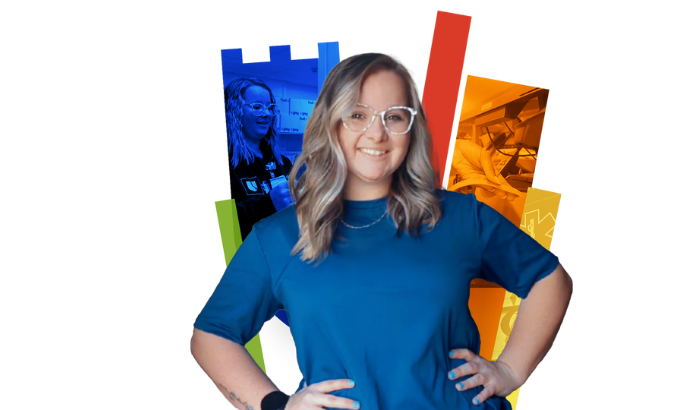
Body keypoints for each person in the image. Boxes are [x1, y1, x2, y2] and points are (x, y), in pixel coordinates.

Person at [192, 53, 573, 410]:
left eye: (394, 116)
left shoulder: (461, 217)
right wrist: (277, 404)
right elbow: (211, 336)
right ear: (331, 123)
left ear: (412, 127)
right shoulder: (278, 237)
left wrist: (509, 369)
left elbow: (549, 279)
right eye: (358, 115)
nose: (377, 133)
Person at [225, 78, 296, 240]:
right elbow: (223, 226)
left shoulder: (282, 162)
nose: (267, 114)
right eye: (257, 107)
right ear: (234, 111)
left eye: (270, 107)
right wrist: (268, 204)